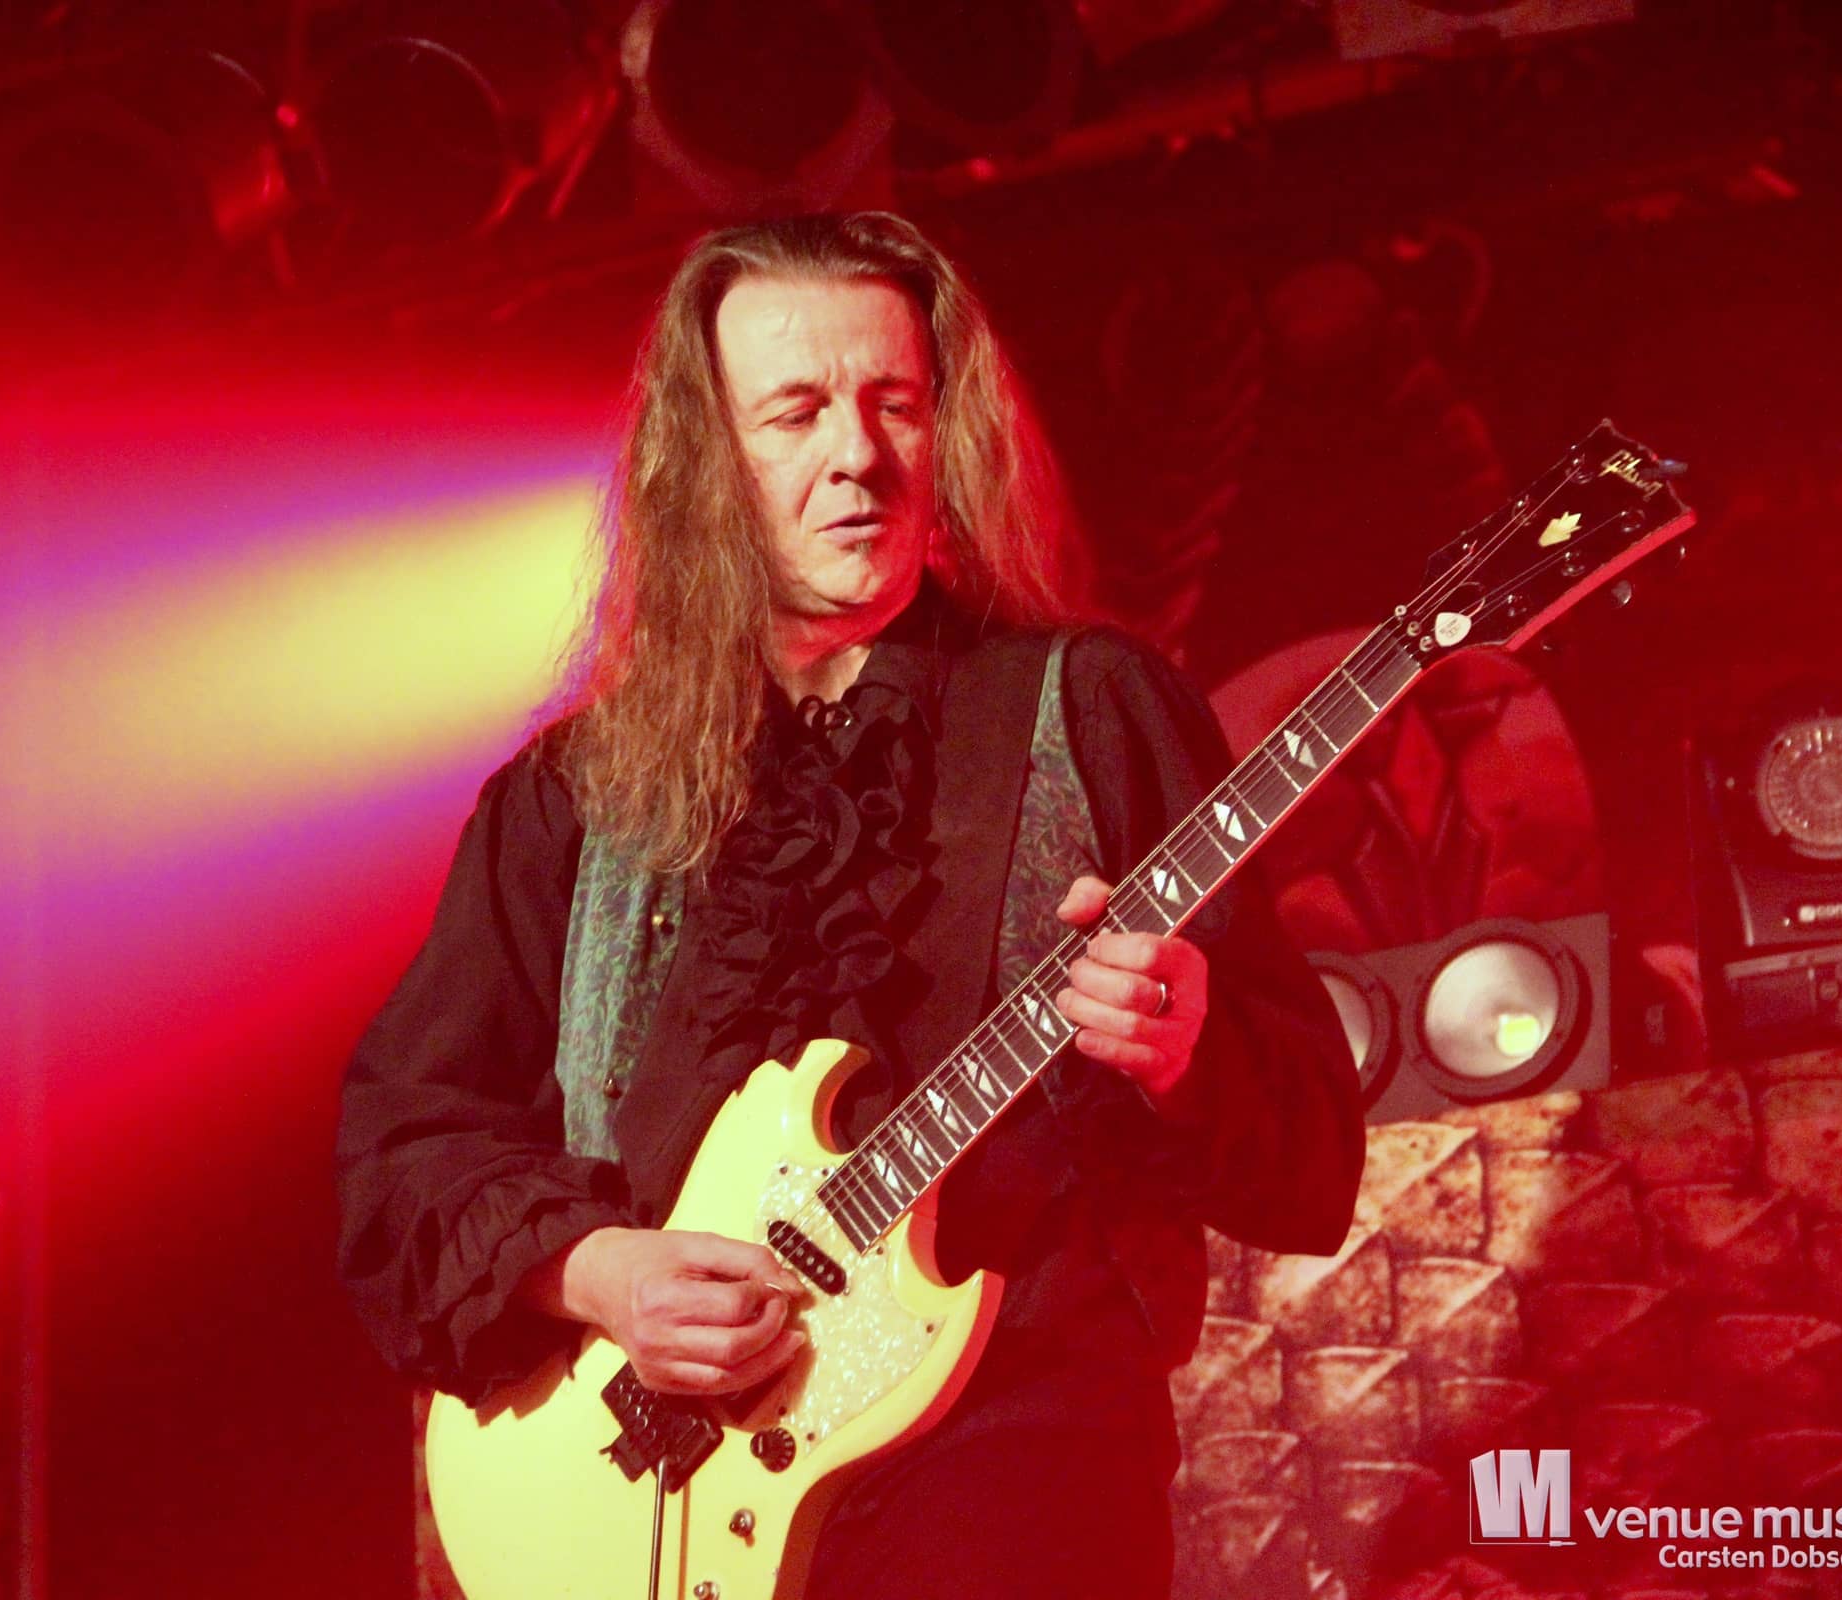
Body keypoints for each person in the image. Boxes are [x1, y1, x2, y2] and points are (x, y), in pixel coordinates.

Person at [335, 211, 1362, 1600]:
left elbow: (1310, 1149)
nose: (858, 456)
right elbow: (405, 1150)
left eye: (895, 404)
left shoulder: (1092, 710)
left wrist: (1185, 1055)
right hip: (653, 1507)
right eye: (795, 413)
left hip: (1014, 1487)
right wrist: (603, 1273)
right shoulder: (578, 793)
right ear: (707, 462)